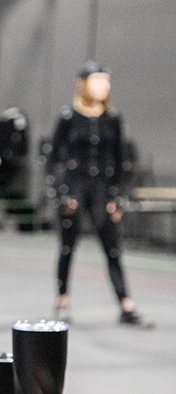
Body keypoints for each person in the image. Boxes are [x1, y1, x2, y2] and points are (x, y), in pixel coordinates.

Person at [46, 60, 150, 327]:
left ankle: (126, 304)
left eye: (106, 81)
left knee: (113, 249)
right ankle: (62, 299)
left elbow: (120, 161)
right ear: (84, 85)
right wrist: (61, 194)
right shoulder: (69, 118)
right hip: (75, 188)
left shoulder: (113, 120)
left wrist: (117, 198)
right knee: (68, 247)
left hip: (103, 189)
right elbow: (53, 159)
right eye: (97, 81)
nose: (104, 86)